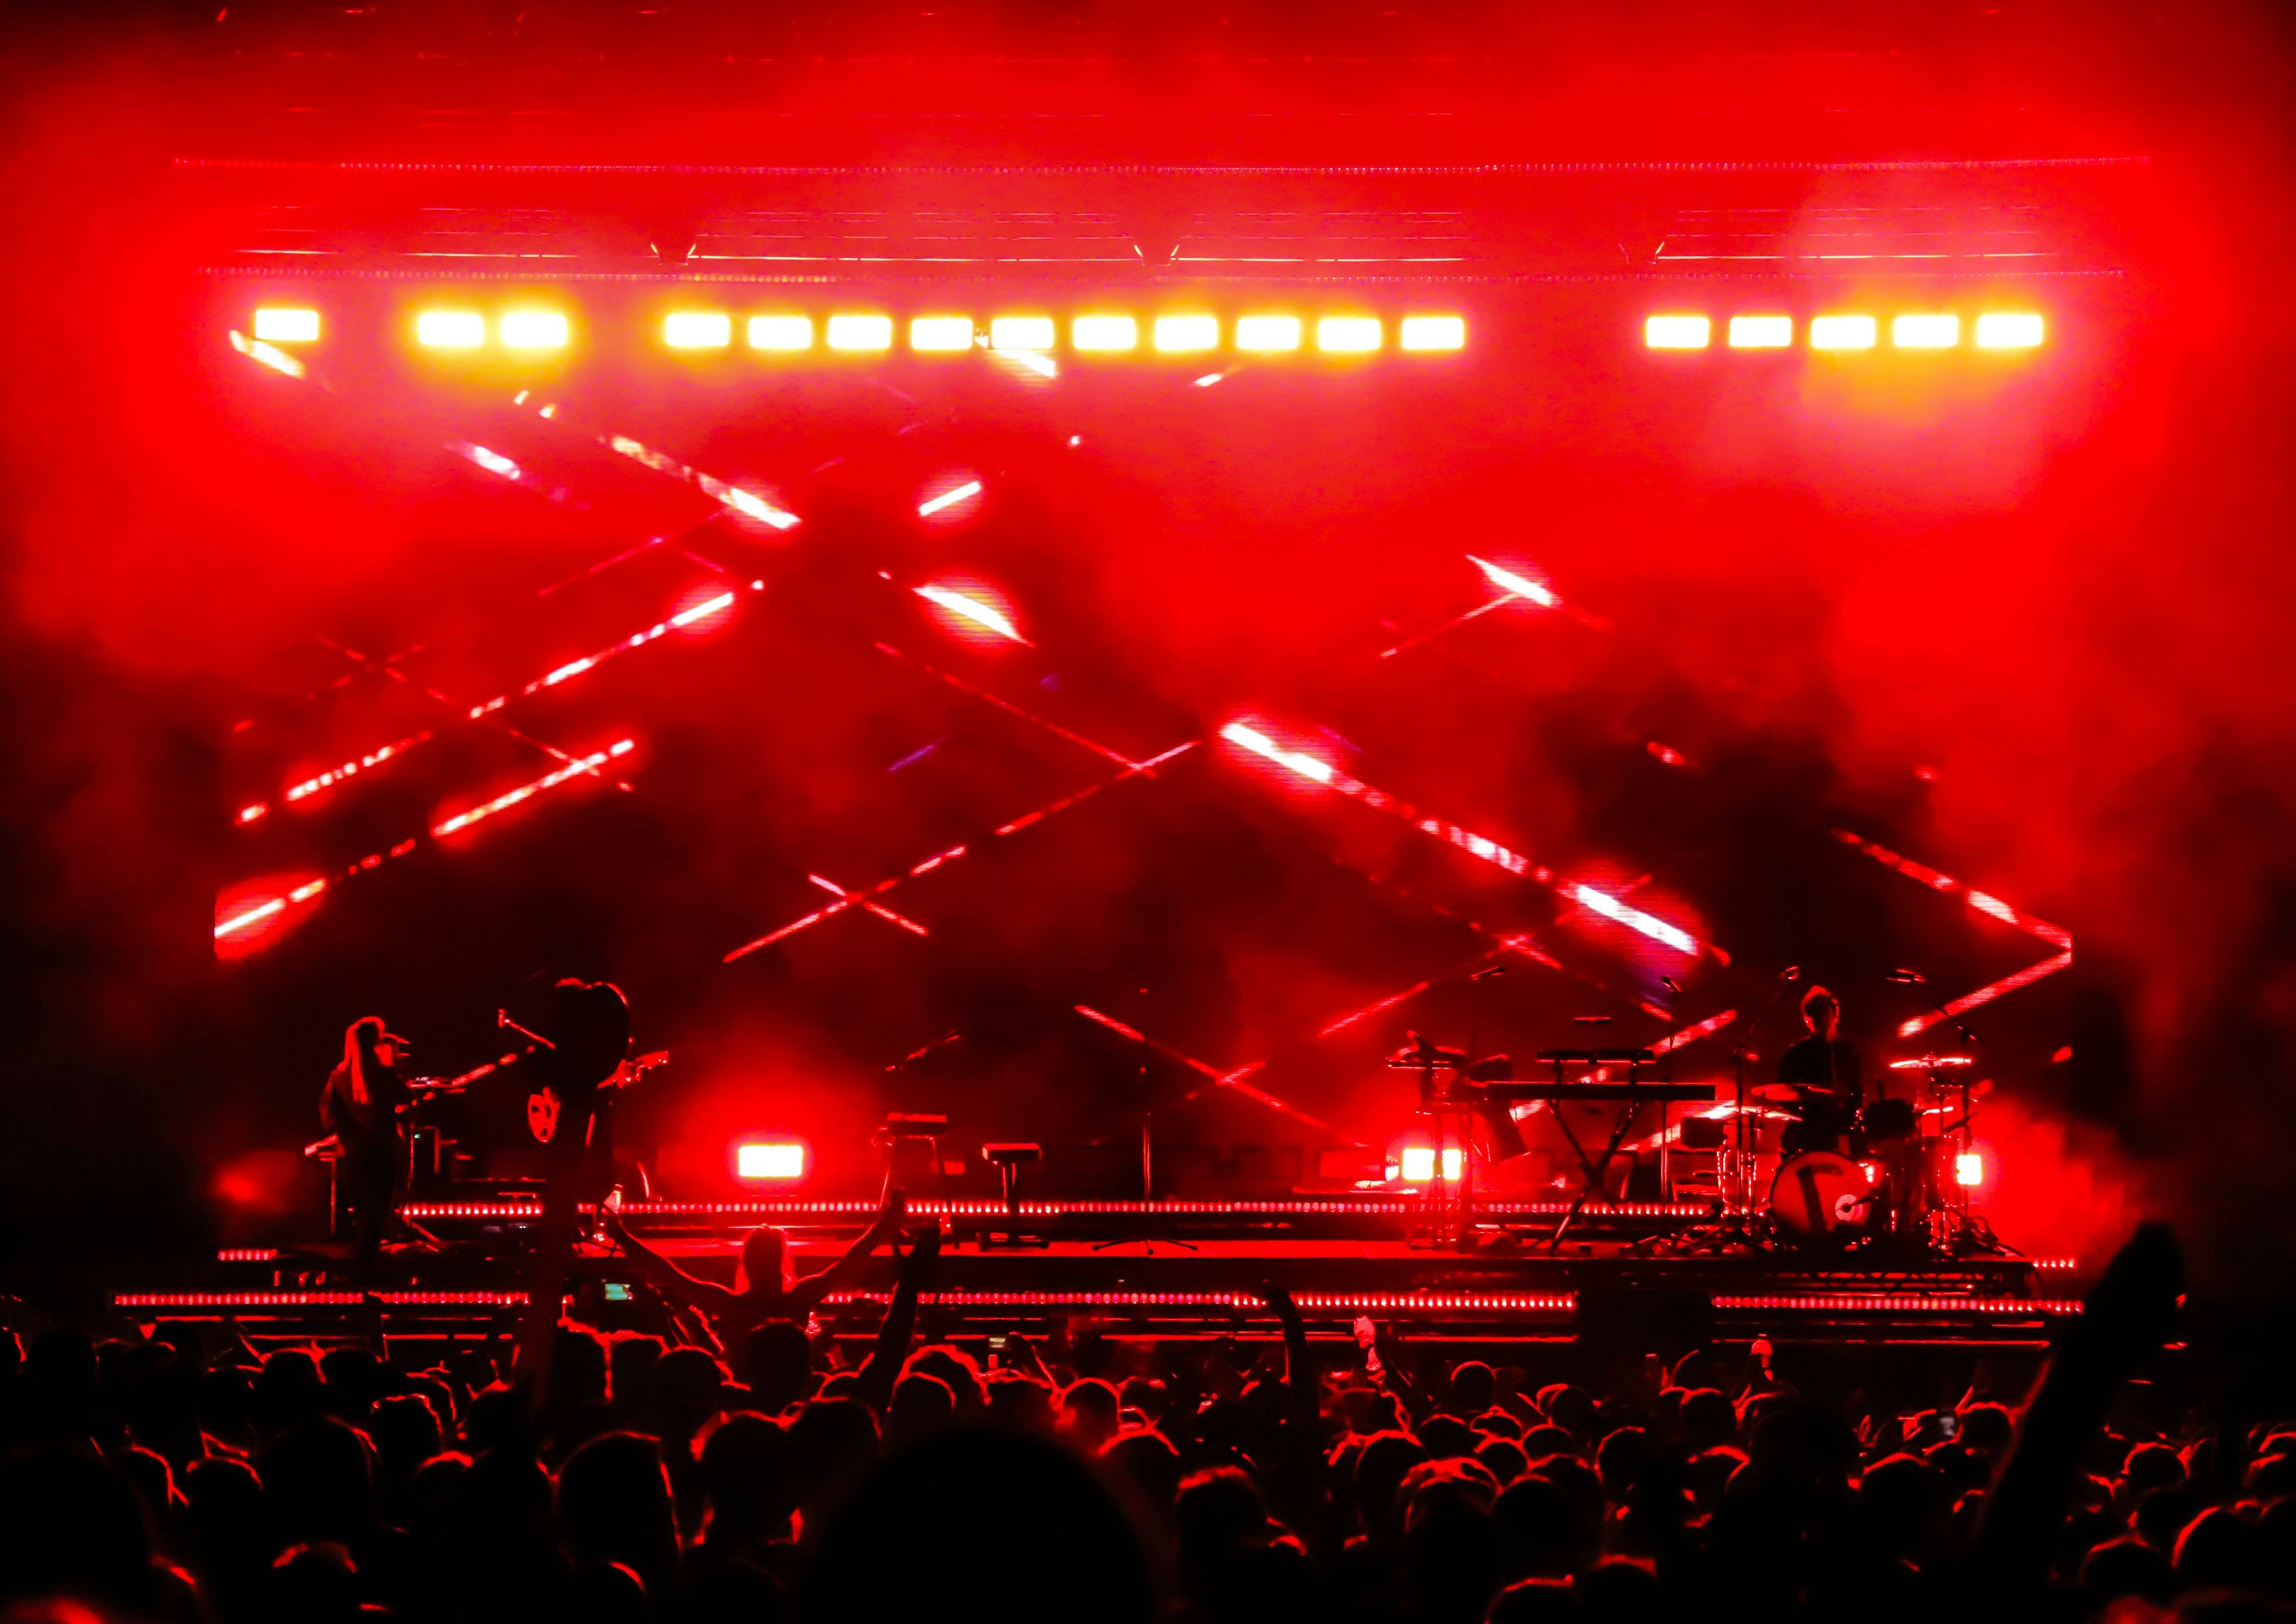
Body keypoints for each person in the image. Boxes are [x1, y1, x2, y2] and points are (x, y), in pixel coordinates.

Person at [605, 1187, 909, 1341]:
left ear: (746, 1263)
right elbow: (850, 1261)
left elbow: (667, 1272)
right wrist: (885, 1224)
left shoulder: (731, 1304)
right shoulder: (800, 1297)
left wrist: (622, 1235)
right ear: (783, 1260)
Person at [320, 1016, 413, 1280]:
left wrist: (348, 1136)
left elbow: (327, 1112)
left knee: (362, 1214)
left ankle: (356, 1280)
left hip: (354, 1154)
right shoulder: (383, 1073)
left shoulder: (338, 1075)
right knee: (378, 1211)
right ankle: (369, 1277)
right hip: (382, 1149)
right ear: (377, 1041)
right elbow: (408, 1097)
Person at [1773, 985, 1862, 1156]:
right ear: (1807, 1020)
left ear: (1835, 1015)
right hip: (1806, 1126)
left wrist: (1848, 1114)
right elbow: (1781, 1093)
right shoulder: (1796, 1052)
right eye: (1816, 1015)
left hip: (1840, 1125)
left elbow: (1857, 1091)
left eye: (1824, 1013)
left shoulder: (1848, 1051)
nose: (1822, 1020)